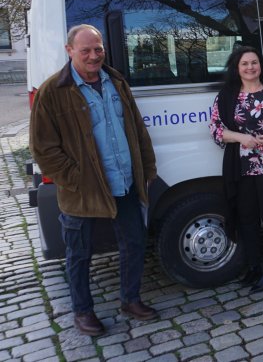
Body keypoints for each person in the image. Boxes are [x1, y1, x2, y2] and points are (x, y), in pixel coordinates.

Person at [30, 24, 158, 336]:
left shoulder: (116, 82)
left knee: (134, 243)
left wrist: (146, 167)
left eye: (97, 49)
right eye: (85, 50)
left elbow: (137, 129)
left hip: (124, 181)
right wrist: (75, 179)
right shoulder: (52, 91)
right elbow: (43, 149)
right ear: (69, 50)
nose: (93, 55)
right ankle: (83, 312)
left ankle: (130, 300)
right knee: (79, 253)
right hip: (82, 191)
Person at [209, 46, 263, 294]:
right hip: (241, 166)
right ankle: (254, 267)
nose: (250, 67)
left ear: (260, 65)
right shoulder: (226, 95)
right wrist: (240, 137)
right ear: (237, 68)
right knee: (246, 219)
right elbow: (215, 129)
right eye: (245, 63)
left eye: (254, 62)